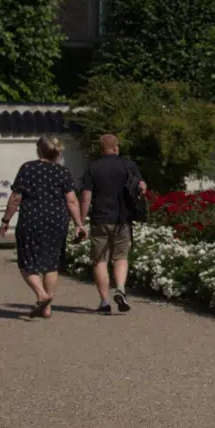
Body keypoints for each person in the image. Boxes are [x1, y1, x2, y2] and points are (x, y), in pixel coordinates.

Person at [0, 136, 87, 319]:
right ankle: (47, 308)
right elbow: (71, 200)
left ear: (39, 149)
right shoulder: (63, 172)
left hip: (31, 220)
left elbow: (16, 197)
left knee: (25, 261)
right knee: (51, 264)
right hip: (57, 221)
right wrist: (79, 224)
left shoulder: (28, 168)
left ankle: (42, 295)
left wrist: (6, 219)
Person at [81, 133, 146, 315]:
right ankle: (120, 289)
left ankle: (104, 302)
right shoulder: (128, 165)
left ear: (102, 150)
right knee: (121, 257)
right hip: (122, 220)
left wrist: (80, 220)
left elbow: (86, 197)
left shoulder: (93, 168)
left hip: (99, 219)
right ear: (116, 147)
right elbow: (142, 186)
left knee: (100, 261)